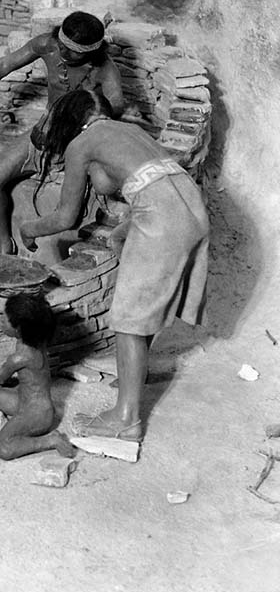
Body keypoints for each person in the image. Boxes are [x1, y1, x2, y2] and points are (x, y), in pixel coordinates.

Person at [19, 89, 209, 443]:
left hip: (162, 213)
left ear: (70, 120)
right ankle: (135, 376)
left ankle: (126, 420)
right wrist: (123, 230)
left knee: (127, 318)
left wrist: (28, 228)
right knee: (138, 293)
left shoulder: (81, 144)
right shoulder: (129, 130)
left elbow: (67, 216)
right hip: (189, 203)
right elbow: (147, 178)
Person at [0, 11, 125, 255]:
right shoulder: (48, 45)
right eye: (62, 45)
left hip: (79, 143)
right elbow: (5, 64)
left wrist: (84, 116)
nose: (63, 52)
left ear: (90, 52)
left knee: (71, 212)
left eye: (72, 51)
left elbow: (116, 106)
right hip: (44, 132)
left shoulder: (104, 69)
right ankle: (4, 243)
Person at [0, 292, 75, 460]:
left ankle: (50, 440)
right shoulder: (35, 340)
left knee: (3, 448)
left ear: (18, 329)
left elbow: (0, 379)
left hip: (38, 414)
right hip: (22, 399)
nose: (0, 320)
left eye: (5, 319)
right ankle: (21, 420)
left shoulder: (20, 357)